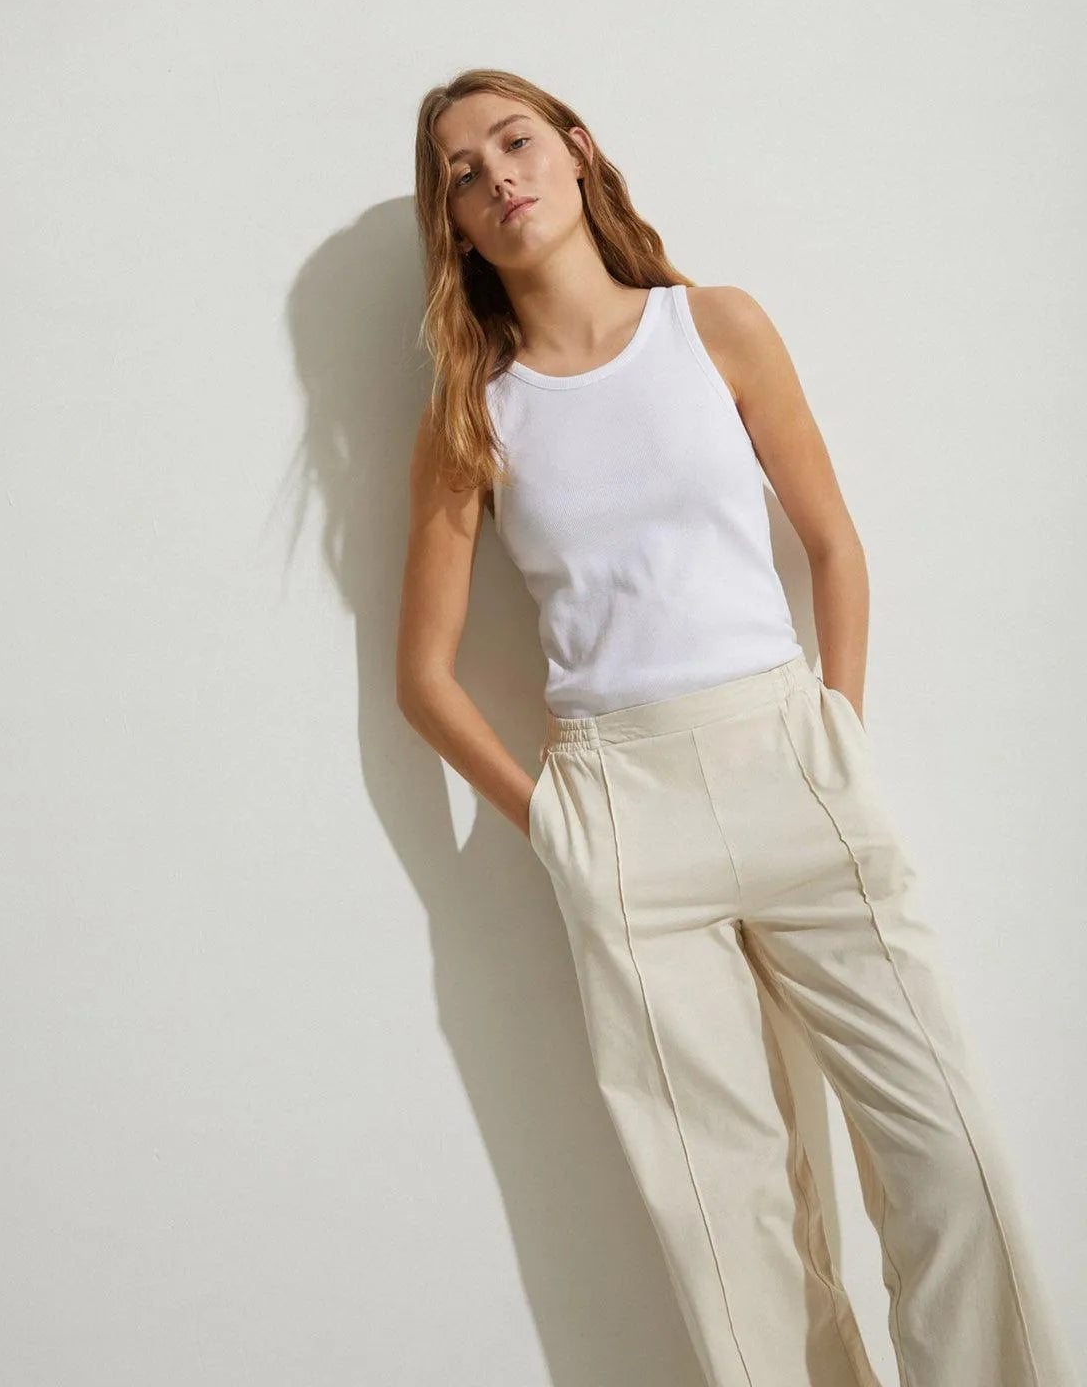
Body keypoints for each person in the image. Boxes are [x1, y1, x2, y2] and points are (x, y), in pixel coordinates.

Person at [395, 67, 1077, 1387]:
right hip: (622, 812)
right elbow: (425, 676)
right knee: (732, 1221)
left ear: (579, 151)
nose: (496, 178)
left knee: (950, 1156)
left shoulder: (714, 326)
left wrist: (838, 729)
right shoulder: (476, 410)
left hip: (792, 763)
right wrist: (561, 828)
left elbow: (834, 543)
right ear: (457, 226)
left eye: (514, 142)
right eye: (462, 176)